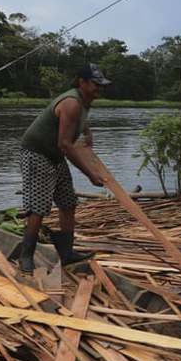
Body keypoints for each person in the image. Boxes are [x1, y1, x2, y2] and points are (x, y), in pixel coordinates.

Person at [16, 63, 110, 273]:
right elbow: (65, 144)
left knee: (68, 203)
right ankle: (26, 256)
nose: (99, 89)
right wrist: (90, 174)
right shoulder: (71, 102)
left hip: (55, 155)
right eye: (95, 84)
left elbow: (78, 121)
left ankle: (66, 253)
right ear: (82, 82)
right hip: (37, 153)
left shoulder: (86, 101)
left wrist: (87, 132)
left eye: (101, 85)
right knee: (38, 207)